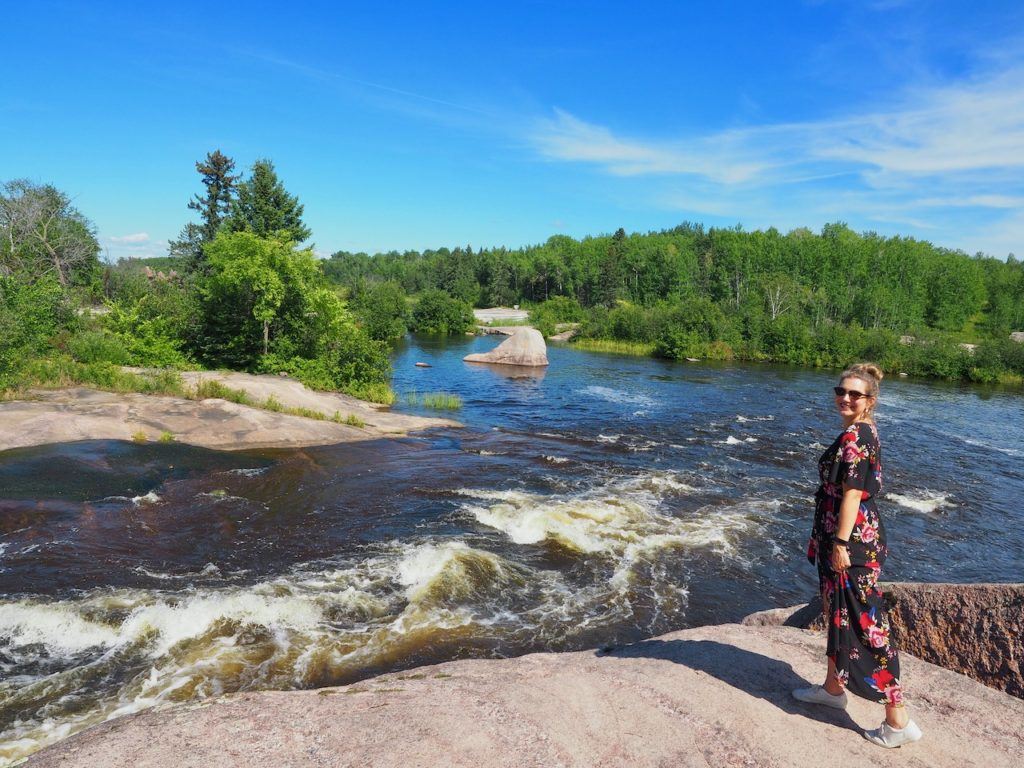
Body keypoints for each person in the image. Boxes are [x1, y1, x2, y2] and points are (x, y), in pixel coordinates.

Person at [793, 363, 923, 748]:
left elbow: (851, 494)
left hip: (851, 545)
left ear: (870, 400)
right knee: (838, 615)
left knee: (867, 627)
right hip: (846, 538)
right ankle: (833, 689)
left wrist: (839, 543)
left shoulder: (857, 437)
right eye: (841, 391)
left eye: (855, 394)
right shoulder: (858, 432)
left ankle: (898, 720)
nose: (845, 398)